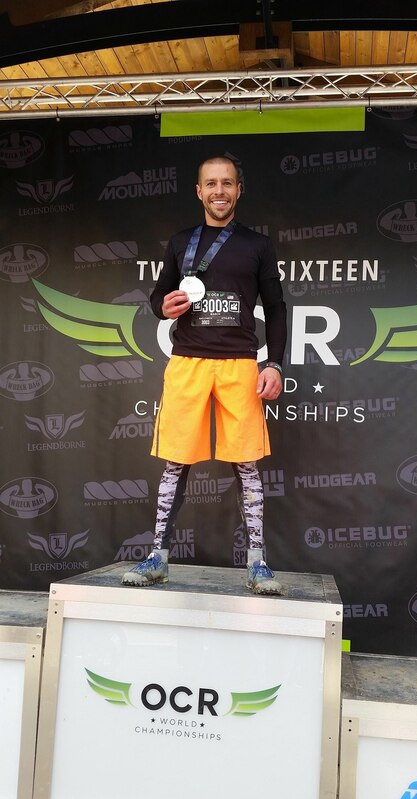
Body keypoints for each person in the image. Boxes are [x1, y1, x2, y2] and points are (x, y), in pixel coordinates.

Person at [122, 156, 287, 593]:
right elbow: (159, 295)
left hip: (238, 364)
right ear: (199, 191)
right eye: (211, 183)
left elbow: (275, 307)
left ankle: (257, 562)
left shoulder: (257, 245)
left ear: (239, 190)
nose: (219, 191)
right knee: (175, 461)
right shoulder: (180, 242)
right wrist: (163, 307)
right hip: (188, 362)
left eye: (227, 183)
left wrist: (275, 364)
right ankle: (157, 557)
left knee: (247, 464)